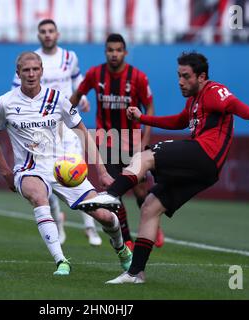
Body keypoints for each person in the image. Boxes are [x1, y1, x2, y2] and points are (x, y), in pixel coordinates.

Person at [77, 51, 249, 284]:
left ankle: (111, 195)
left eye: (186, 76)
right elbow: (180, 121)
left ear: (201, 77)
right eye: (178, 75)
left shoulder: (213, 91)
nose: (180, 81)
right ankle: (135, 273)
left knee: (145, 157)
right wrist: (143, 119)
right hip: (205, 172)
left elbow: (232, 103)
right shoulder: (193, 100)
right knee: (150, 207)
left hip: (205, 155)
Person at [0, 52, 132, 276]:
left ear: (42, 71)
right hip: (29, 169)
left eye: (35, 69)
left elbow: (82, 132)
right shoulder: (5, 103)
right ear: (18, 73)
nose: (31, 74)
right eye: (26, 70)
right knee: (39, 197)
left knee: (105, 217)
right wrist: (6, 171)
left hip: (63, 168)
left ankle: (121, 249)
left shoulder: (57, 98)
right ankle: (61, 260)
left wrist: (101, 170)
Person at [70, 33, 164, 250]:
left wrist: (145, 140)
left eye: (118, 50)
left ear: (125, 52)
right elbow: (78, 94)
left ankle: (153, 226)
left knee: (141, 192)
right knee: (114, 191)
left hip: (133, 142)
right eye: (110, 50)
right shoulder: (95, 73)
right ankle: (127, 239)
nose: (114, 54)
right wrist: (64, 112)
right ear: (105, 52)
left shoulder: (137, 77)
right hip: (107, 142)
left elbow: (149, 107)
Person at [12, 19, 102, 246]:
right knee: (46, 177)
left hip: (65, 123)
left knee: (76, 171)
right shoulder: (31, 60)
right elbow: (16, 91)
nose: (47, 34)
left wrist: (81, 98)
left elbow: (76, 80)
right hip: (40, 128)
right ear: (38, 35)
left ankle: (90, 227)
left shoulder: (69, 57)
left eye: (51, 31)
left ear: (57, 34)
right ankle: (58, 224)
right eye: (43, 31)